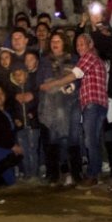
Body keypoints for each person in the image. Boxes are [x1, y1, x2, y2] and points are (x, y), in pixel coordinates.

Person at [38, 33, 82, 186]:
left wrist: (70, 85)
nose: (55, 43)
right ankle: (57, 172)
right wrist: (61, 84)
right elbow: (43, 83)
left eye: (59, 40)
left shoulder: (74, 59)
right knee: (55, 137)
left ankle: (76, 173)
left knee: (73, 137)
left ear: (64, 43)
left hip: (73, 102)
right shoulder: (44, 62)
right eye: (53, 41)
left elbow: (79, 78)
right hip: (52, 104)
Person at [75, 32, 109, 187]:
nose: (79, 47)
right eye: (77, 45)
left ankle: (92, 174)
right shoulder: (98, 60)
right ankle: (95, 172)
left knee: (89, 140)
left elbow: (74, 74)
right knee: (93, 140)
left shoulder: (88, 58)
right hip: (99, 104)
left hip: (92, 104)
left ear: (90, 45)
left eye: (82, 44)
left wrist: (53, 84)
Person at [9, 63, 41, 182]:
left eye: (20, 74)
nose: (18, 77)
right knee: (24, 150)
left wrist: (33, 113)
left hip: (33, 125)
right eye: (15, 75)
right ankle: (28, 173)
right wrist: (16, 119)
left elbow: (38, 104)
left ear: (26, 75)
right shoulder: (13, 92)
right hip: (20, 126)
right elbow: (12, 108)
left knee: (33, 149)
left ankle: (34, 173)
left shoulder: (32, 88)